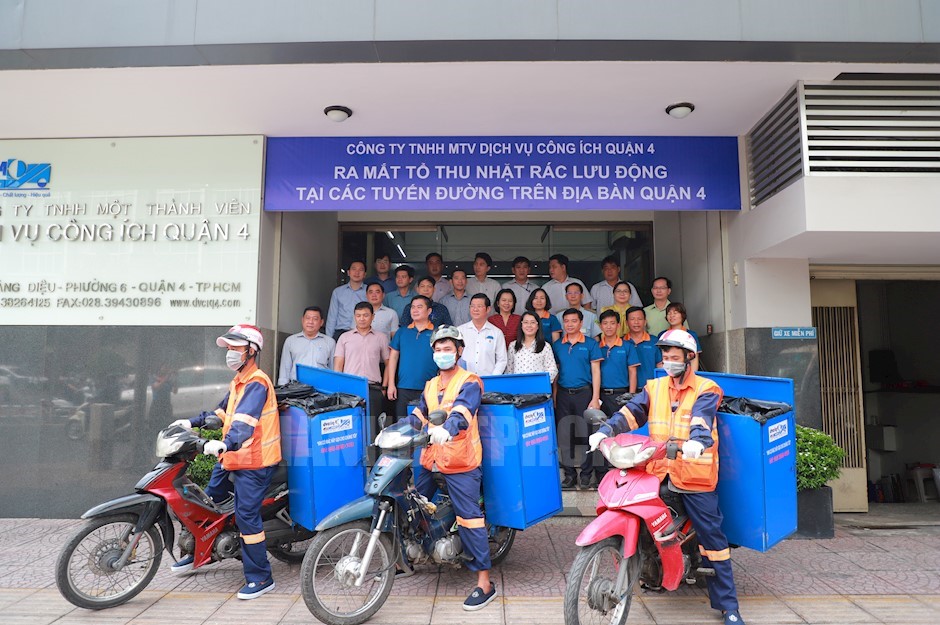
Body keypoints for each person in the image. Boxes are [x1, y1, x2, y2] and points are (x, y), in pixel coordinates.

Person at [588, 330, 745, 625]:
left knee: (711, 537)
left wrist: (697, 441)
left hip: (694, 475)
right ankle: (653, 567)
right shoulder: (655, 386)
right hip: (659, 470)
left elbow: (701, 418)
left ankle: (728, 605)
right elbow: (632, 412)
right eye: (665, 356)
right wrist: (605, 430)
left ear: (689, 357)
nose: (668, 362)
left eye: (674, 357)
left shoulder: (707, 388)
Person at [168, 324, 280, 600]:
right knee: (208, 502)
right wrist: (191, 423)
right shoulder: (239, 381)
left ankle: (260, 577)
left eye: (235, 347)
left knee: (246, 517)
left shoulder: (257, 382)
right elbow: (221, 413)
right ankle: (199, 552)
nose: (230, 352)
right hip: (232, 457)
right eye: (228, 348)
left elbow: (243, 424)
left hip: (254, 462)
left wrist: (225, 443)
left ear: (251, 351)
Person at [399, 326, 495, 611]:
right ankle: (412, 557)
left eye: (448, 349)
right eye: (438, 349)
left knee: (470, 518)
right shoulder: (430, 385)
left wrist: (447, 429)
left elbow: (463, 411)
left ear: (459, 351)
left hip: (460, 460)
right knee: (412, 506)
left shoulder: (470, 381)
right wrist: (395, 431)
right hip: (431, 458)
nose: (443, 354)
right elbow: (419, 416)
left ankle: (485, 583)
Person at [552, 308, 603, 490]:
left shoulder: (590, 344)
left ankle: (586, 474)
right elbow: (555, 373)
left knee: (586, 434)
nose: (570, 324)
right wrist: (555, 397)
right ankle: (569, 475)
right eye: (566, 321)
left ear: (581, 323)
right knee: (565, 434)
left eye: (574, 321)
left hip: (585, 394)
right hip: (563, 394)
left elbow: (596, 371)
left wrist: (595, 397)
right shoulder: (557, 345)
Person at [334, 301, 390, 442]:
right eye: (358, 315)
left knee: (373, 428)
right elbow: (338, 365)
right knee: (349, 426)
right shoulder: (344, 337)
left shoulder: (381, 337)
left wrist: (384, 387)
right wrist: (338, 389)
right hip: (349, 389)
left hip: (373, 388)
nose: (362, 319)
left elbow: (389, 363)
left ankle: (372, 454)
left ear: (373, 316)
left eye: (365, 315)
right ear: (354, 317)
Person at [386, 295, 438, 416]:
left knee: (427, 423)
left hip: (429, 387)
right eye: (413, 307)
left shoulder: (437, 332)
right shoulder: (402, 331)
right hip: (403, 387)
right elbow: (393, 358)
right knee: (402, 423)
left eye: (419, 307)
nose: (415, 310)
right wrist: (391, 384)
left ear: (429, 311)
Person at [277, 306, 336, 385]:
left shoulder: (330, 342)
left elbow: (333, 371)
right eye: (307, 318)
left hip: (321, 387)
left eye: (315, 319)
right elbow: (285, 370)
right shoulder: (291, 341)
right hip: (296, 387)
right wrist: (282, 388)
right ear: (302, 320)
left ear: (321, 322)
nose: (310, 322)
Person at [597, 310, 640, 414]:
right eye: (605, 323)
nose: (609, 327)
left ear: (618, 325)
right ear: (600, 326)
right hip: (601, 394)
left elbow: (633, 372)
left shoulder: (627, 346)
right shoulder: (596, 347)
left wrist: (631, 396)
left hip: (621, 393)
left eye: (612, 323)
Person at [458, 294, 507, 376]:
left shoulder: (496, 333)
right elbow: (454, 356)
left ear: (488, 309)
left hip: (488, 380)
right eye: (472, 306)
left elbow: (502, 360)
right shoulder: (460, 331)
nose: (475, 309)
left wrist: (493, 378)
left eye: (479, 306)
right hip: (464, 379)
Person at [506, 311, 557, 383]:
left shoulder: (545, 346)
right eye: (526, 322)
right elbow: (509, 370)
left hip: (538, 387)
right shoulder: (513, 345)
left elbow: (552, 369)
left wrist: (540, 382)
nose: (529, 325)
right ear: (521, 325)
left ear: (538, 326)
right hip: (518, 387)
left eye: (533, 322)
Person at [326, 260, 367, 340]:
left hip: (362, 332)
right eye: (354, 269)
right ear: (348, 272)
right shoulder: (338, 292)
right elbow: (332, 316)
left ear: (365, 274)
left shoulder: (370, 292)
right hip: (341, 332)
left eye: (361, 270)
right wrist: (329, 339)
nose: (357, 272)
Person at [625, 306, 662, 389]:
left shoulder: (654, 341)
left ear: (645, 322)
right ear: (627, 322)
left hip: (651, 388)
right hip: (627, 389)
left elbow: (660, 365)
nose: (636, 322)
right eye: (632, 319)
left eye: (640, 319)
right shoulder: (622, 342)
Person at [662, 302, 702, 371]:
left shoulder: (691, 334)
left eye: (675, 313)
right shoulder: (663, 335)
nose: (672, 316)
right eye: (669, 313)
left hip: (687, 371)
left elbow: (694, 358)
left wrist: (693, 374)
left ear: (682, 315)